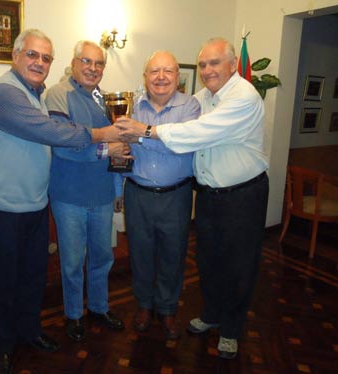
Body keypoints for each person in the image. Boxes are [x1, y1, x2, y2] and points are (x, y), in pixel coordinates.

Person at [0, 29, 122, 374]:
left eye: (45, 57)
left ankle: (29, 333)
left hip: (35, 205)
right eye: (32, 55)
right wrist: (103, 137)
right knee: (3, 282)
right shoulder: (3, 93)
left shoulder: (37, 94)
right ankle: (2, 348)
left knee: (31, 277)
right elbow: (52, 134)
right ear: (15, 56)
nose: (39, 62)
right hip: (1, 209)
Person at [115, 37, 269, 359]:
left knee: (238, 264)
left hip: (240, 195)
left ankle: (230, 329)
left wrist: (145, 132)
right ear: (145, 76)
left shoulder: (240, 97)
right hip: (208, 195)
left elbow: (192, 136)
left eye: (215, 63)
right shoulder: (203, 98)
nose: (208, 70)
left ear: (232, 65)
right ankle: (210, 314)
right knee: (207, 261)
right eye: (203, 65)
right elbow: (118, 147)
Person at [45, 40, 129, 343]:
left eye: (99, 64)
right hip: (69, 195)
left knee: (102, 257)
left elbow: (121, 145)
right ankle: (73, 315)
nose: (93, 69)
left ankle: (98, 307)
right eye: (87, 62)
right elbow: (64, 144)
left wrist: (119, 187)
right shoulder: (57, 94)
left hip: (103, 194)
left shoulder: (106, 100)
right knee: (71, 261)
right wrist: (107, 148)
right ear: (74, 61)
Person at [122, 51, 200, 339]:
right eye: (154, 71)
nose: (161, 77)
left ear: (177, 77)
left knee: (173, 255)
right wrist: (120, 187)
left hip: (176, 196)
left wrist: (142, 134)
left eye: (168, 71)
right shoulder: (132, 105)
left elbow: (181, 144)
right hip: (137, 194)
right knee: (140, 255)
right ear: (145, 76)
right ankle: (144, 305)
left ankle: (167, 309)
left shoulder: (190, 106)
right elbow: (123, 150)